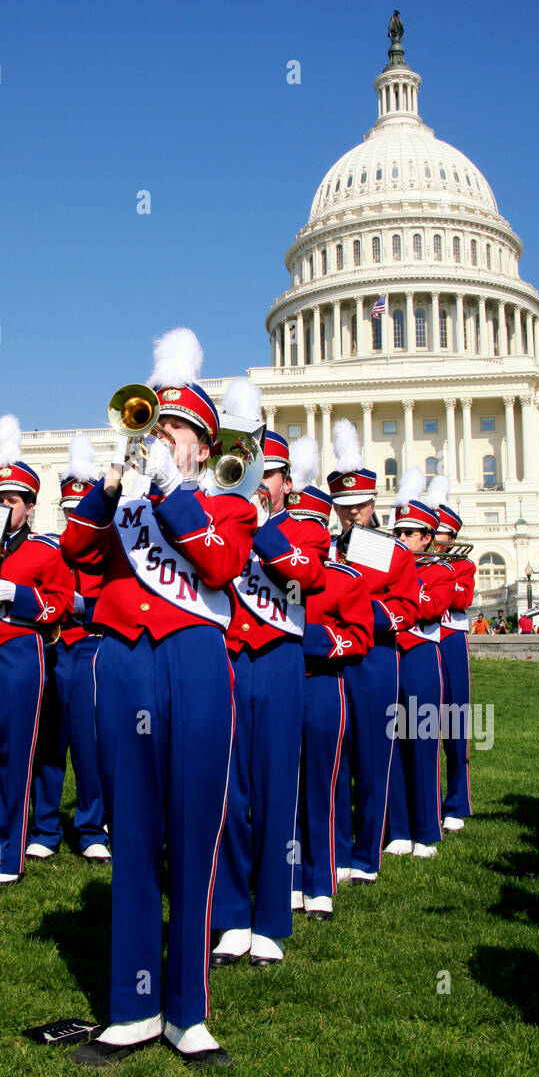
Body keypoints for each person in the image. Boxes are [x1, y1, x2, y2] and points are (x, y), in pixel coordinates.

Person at [62, 328, 257, 1067]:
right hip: (126, 663)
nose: (163, 435)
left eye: (178, 429)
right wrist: (105, 489)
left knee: (195, 832)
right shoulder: (126, 502)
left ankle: (189, 1011)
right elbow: (76, 552)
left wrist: (170, 492)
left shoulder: (226, 505)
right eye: (157, 423)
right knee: (135, 831)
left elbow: (220, 561)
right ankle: (132, 1007)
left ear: (205, 447)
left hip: (196, 662)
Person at [210, 409, 325, 969]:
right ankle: (230, 913)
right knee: (229, 793)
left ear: (286, 480)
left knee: (278, 791)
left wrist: (255, 527)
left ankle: (273, 917)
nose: (264, 479)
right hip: (231, 659)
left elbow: (306, 576)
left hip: (280, 659)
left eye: (272, 471)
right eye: (257, 468)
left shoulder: (305, 528)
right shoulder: (222, 520)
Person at [0, 415, 74, 886]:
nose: (6, 508)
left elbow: (63, 605)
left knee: (15, 755)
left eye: (14, 501)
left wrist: (17, 596)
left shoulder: (46, 550)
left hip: (22, 654)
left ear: (29, 506)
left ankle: (7, 856)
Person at [327, 421, 420, 883]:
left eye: (358, 507)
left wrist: (364, 614)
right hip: (329, 660)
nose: (351, 516)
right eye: (343, 508)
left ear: (372, 504)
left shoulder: (390, 550)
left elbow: (408, 605)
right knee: (334, 760)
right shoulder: (322, 548)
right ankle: (338, 852)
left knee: (372, 758)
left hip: (375, 657)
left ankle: (367, 854)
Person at [291, 469, 373, 921]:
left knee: (320, 784)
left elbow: (358, 638)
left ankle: (320, 880)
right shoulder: (266, 573)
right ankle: (287, 878)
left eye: (308, 528)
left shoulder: (344, 579)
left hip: (323, 682)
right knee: (280, 784)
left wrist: (306, 638)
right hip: (280, 683)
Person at [26, 435, 110, 863]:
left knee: (88, 742)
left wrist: (84, 605)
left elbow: (119, 600)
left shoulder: (108, 548)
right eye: (68, 512)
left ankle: (91, 825)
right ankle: (44, 824)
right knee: (50, 738)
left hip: (91, 645)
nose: (74, 520)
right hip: (54, 646)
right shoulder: (49, 547)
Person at [385, 474, 455, 859]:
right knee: (392, 744)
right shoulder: (391, 567)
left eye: (410, 533)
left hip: (421, 656)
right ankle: (398, 828)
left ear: (428, 537)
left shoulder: (441, 570)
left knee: (423, 743)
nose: (403, 538)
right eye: (399, 531)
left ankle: (427, 829)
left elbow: (426, 608)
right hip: (392, 655)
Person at [428, 481, 476, 832]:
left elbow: (459, 600)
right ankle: (427, 801)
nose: (435, 542)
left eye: (442, 535)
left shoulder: (462, 567)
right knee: (418, 724)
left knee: (456, 724)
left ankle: (457, 801)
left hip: (451, 641)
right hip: (425, 642)